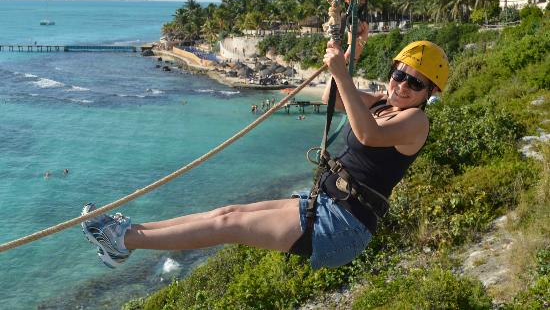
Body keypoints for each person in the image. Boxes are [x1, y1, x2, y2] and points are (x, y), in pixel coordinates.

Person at [80, 22, 449, 270]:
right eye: (399, 74)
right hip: (325, 205)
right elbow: (328, 97)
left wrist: (341, 70)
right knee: (227, 213)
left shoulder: (416, 121)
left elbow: (368, 135)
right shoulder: (385, 104)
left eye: (415, 83)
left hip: (341, 227)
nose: (401, 85)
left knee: (228, 225)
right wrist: (354, 51)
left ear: (429, 93)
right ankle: (126, 235)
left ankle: (124, 239)